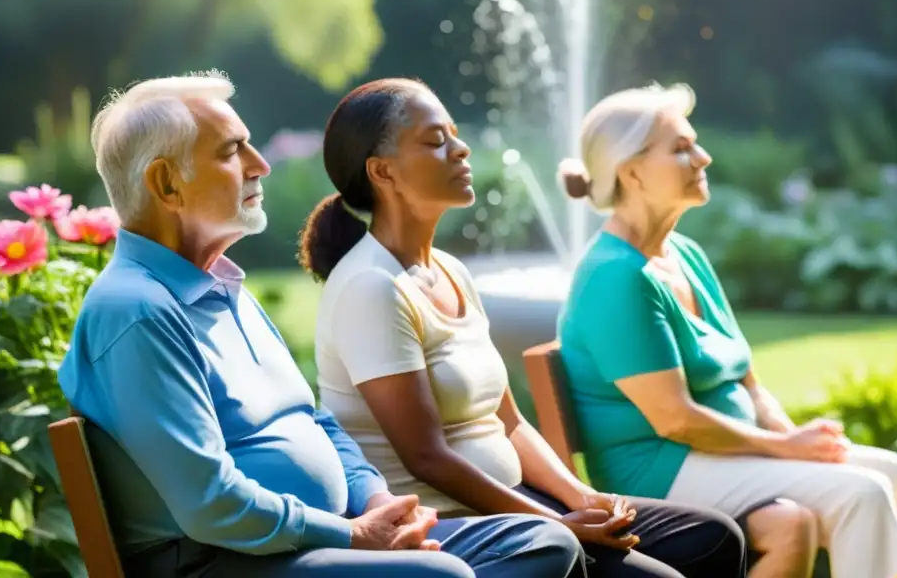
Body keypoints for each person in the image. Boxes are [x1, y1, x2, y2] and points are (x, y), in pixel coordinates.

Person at [57, 71, 583, 578]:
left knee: (544, 543)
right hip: (225, 560)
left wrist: (378, 503)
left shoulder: (221, 288)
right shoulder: (138, 310)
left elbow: (317, 423)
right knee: (444, 573)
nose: (259, 165)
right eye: (230, 151)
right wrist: (353, 535)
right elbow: (211, 506)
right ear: (166, 183)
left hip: (320, 541)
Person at [298, 77, 748, 578]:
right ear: (383, 172)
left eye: (454, 133)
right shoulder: (371, 286)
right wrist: (558, 521)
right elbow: (427, 458)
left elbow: (508, 421)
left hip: (519, 502)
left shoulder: (450, 270)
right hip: (458, 526)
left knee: (713, 538)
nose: (461, 148)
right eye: (435, 141)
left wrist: (583, 496)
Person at [554, 82, 897, 578]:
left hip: (717, 457)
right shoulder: (616, 277)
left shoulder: (684, 254)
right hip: (662, 469)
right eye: (682, 148)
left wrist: (792, 436)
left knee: (896, 473)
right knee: (862, 492)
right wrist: (787, 449)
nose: (704, 157)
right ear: (631, 171)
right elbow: (675, 419)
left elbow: (747, 381)